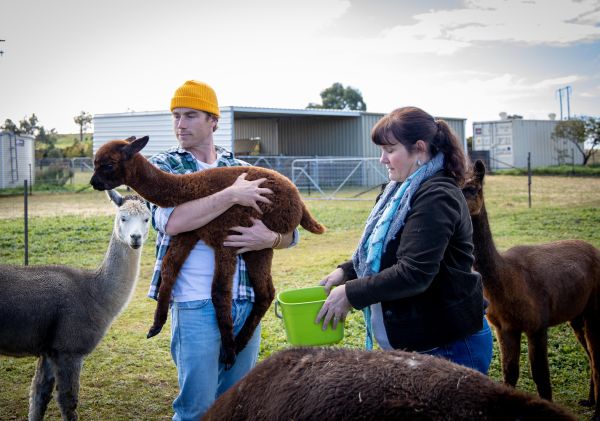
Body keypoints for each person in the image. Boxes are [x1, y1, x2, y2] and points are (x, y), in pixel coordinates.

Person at [147, 80, 298, 420]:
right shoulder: (165, 167)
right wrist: (231, 195)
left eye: (190, 115)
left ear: (213, 121)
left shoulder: (242, 169)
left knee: (236, 405)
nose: (180, 124)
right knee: (196, 408)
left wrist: (269, 239)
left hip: (243, 299)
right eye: (175, 116)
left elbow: (290, 233)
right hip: (194, 302)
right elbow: (170, 222)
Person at [316, 106, 493, 374]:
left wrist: (352, 293)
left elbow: (414, 272)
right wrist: (346, 271)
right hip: (419, 346)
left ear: (419, 148)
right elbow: (386, 246)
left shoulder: (437, 196)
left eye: (389, 150)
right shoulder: (399, 191)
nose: (382, 160)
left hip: (448, 347)